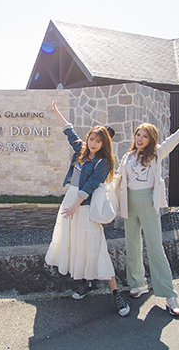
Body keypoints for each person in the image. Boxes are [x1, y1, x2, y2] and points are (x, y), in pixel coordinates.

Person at [118, 105, 179, 317]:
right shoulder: (127, 157)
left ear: (151, 139)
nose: (140, 138)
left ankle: (169, 294)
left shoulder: (156, 154)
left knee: (156, 248)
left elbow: (178, 136)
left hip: (148, 202)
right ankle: (137, 284)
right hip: (129, 203)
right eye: (138, 134)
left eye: (144, 136)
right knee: (133, 245)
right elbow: (118, 180)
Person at [45, 100, 130, 317]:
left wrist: (75, 205)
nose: (93, 143)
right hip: (71, 202)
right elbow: (70, 132)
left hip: (84, 205)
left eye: (98, 141)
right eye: (91, 139)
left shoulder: (104, 162)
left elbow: (91, 186)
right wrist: (56, 111)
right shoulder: (82, 151)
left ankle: (115, 293)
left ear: (104, 144)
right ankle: (88, 283)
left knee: (96, 246)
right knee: (77, 245)